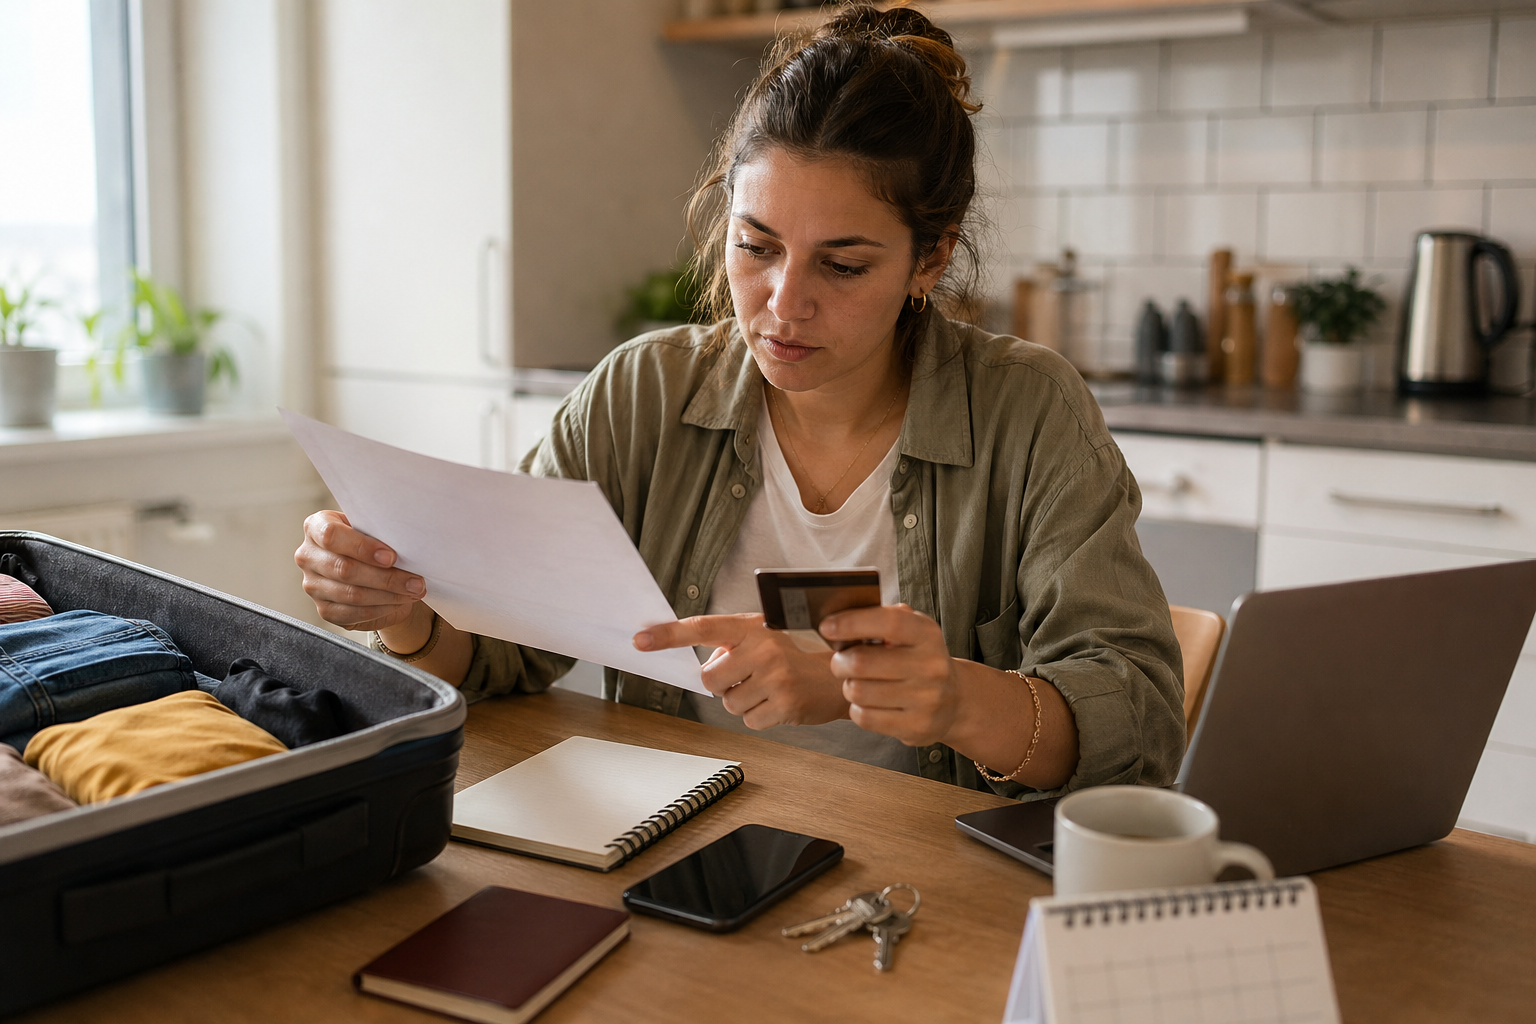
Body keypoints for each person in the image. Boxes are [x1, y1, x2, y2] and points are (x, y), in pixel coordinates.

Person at [295, 4, 1184, 800]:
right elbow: (501, 652)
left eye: (842, 266)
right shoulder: (640, 395)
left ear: (930, 259)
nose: (784, 304)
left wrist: (950, 697)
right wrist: (404, 611)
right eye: (756, 245)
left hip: (928, 876)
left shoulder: (1027, 411)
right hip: (679, 831)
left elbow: (1138, 727)